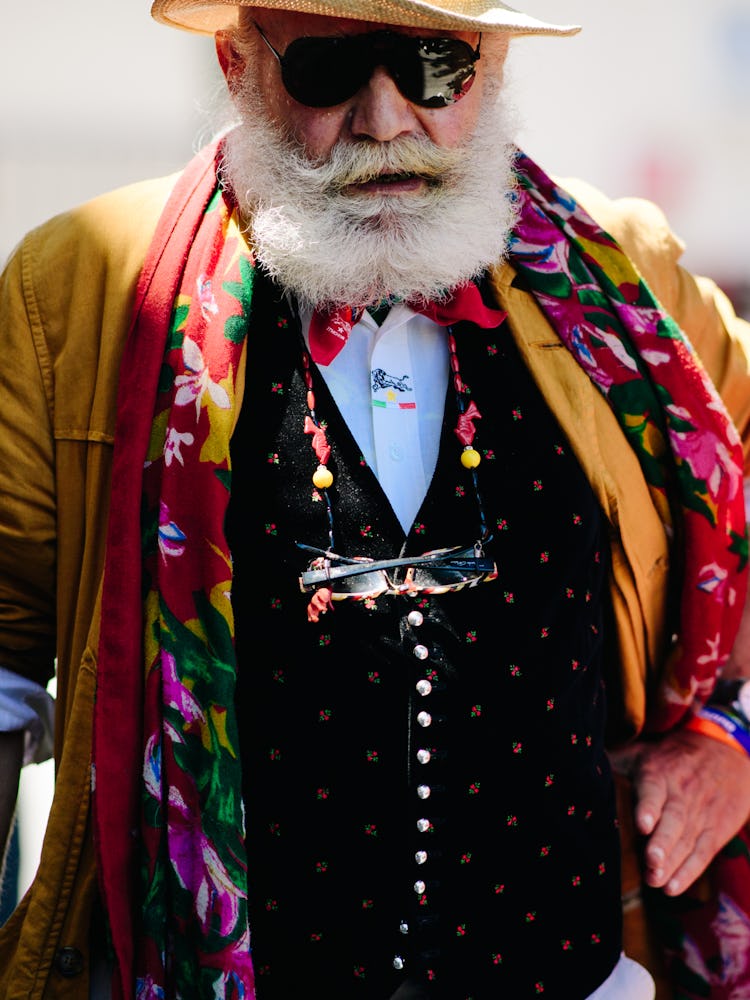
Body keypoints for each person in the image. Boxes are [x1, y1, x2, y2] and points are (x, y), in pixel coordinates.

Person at [1, 0, 750, 997]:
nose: (386, 118)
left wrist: (732, 735)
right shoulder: (83, 289)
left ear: (490, 67)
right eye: (328, 69)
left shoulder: (625, 278)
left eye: (435, 65)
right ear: (237, 66)